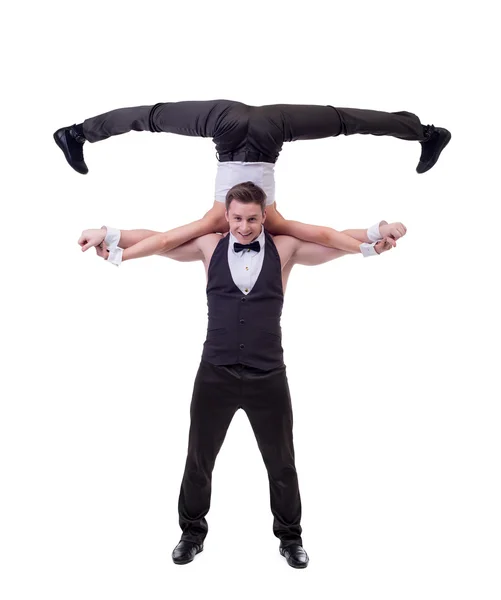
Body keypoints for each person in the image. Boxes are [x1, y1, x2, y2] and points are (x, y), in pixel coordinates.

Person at [81, 181, 405, 568]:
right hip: (214, 374)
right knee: (198, 459)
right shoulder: (209, 246)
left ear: (264, 216)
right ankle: (191, 533)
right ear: (227, 215)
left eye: (252, 218)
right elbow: (160, 239)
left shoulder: (286, 248)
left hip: (267, 375)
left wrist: (375, 235)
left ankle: (290, 538)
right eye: (236, 218)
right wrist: (109, 237)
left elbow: (333, 239)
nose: (244, 227)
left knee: (282, 462)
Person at [57, 99, 439, 257]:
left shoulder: (250, 222)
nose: (240, 229)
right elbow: (165, 239)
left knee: (343, 122)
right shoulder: (253, 222)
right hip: (240, 125)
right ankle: (419, 130)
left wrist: (119, 250)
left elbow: (165, 240)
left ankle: (420, 130)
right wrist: (368, 243)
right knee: (155, 117)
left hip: (253, 128)